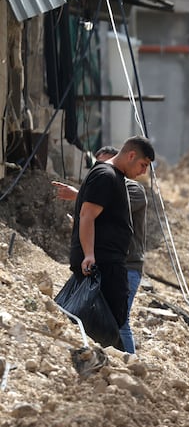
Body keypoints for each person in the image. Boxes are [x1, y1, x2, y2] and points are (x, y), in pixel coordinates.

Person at [53, 146, 147, 354]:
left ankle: (130, 365)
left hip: (128, 265)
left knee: (119, 322)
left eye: (104, 163)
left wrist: (78, 195)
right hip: (105, 263)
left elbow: (109, 206)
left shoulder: (131, 189)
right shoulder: (106, 182)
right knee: (97, 318)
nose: (101, 168)